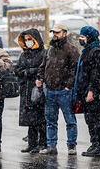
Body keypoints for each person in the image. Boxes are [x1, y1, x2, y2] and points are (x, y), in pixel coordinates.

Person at [36, 23, 79, 155]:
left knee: (70, 120)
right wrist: (40, 77)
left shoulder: (71, 49)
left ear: (64, 33)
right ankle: (51, 146)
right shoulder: (49, 49)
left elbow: (74, 70)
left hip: (64, 91)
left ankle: (71, 146)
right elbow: (43, 65)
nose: (54, 34)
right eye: (53, 32)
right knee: (50, 121)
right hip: (49, 90)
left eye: (57, 32)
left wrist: (68, 86)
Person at [77, 26, 100, 157]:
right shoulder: (86, 52)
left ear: (89, 38)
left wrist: (92, 91)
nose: (81, 39)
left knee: (95, 120)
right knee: (89, 119)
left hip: (92, 93)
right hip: (85, 91)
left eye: (83, 37)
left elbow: (96, 75)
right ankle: (94, 143)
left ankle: (98, 145)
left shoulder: (96, 53)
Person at [15, 29, 47, 154]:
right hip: (26, 89)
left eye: (30, 39)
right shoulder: (24, 54)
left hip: (37, 89)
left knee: (40, 118)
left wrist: (30, 72)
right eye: (26, 39)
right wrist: (26, 72)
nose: (28, 42)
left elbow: (42, 69)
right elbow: (17, 70)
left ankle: (42, 143)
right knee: (30, 119)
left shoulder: (43, 53)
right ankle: (32, 143)